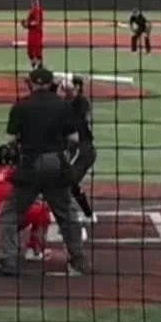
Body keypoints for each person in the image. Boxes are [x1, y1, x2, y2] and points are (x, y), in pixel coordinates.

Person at [0, 65, 89, 277]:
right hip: (56, 163)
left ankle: (7, 261)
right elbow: (74, 139)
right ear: (51, 83)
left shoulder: (21, 106)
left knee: (9, 213)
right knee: (67, 215)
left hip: (30, 165)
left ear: (31, 83)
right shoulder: (63, 105)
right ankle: (78, 260)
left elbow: (11, 142)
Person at [62, 75, 98, 226]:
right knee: (67, 182)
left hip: (83, 151)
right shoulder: (67, 103)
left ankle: (75, 217)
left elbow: (76, 110)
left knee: (66, 181)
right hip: (73, 150)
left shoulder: (81, 103)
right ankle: (87, 214)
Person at [22, 0, 44, 68]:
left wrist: (28, 24)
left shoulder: (37, 9)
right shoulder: (32, 9)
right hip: (32, 32)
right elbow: (31, 23)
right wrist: (26, 25)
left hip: (36, 33)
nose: (33, 1)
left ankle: (39, 66)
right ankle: (34, 64)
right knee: (30, 51)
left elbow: (37, 22)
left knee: (37, 51)